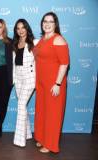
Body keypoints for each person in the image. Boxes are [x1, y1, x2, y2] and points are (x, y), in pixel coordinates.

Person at [33, 12, 70, 153]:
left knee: (52, 114)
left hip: (53, 84)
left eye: (51, 21)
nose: (47, 24)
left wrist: (58, 84)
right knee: (42, 111)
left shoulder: (58, 39)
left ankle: (50, 144)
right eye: (45, 21)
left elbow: (64, 64)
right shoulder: (43, 38)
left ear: (55, 24)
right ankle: (42, 138)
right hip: (41, 82)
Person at [12, 19, 38, 147]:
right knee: (23, 106)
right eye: (18, 28)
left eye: (23, 28)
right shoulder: (15, 43)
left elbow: (41, 60)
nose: (20, 30)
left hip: (30, 77)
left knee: (21, 105)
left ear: (27, 28)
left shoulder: (34, 42)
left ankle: (19, 140)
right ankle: (27, 134)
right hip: (18, 77)